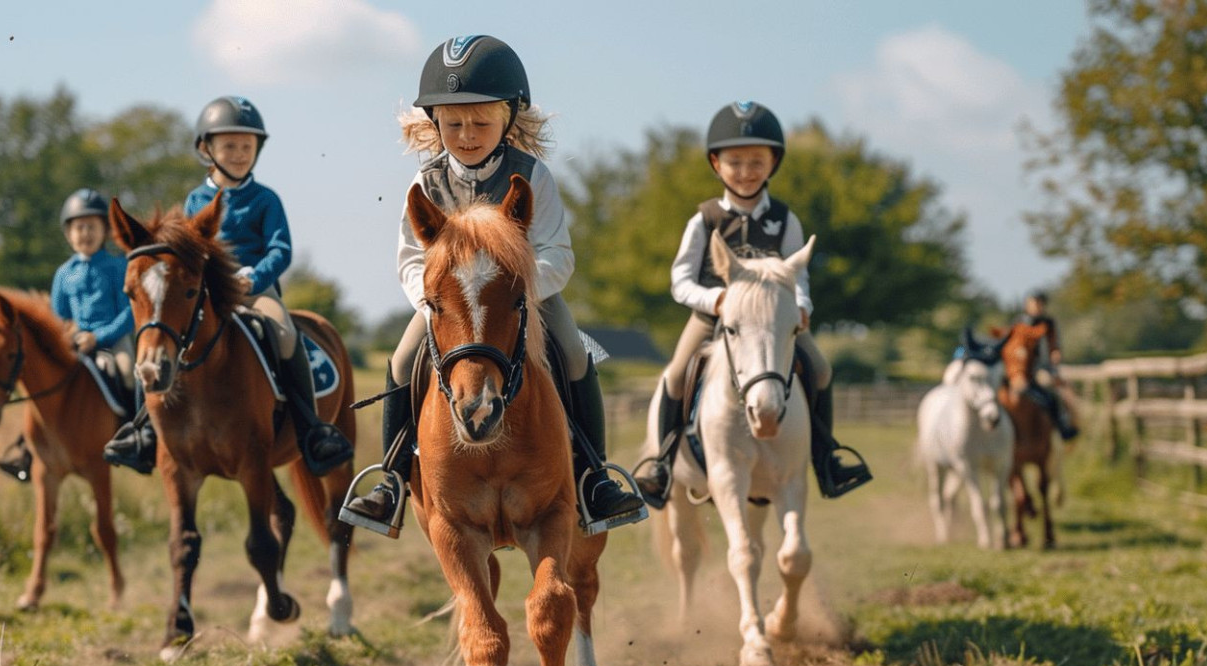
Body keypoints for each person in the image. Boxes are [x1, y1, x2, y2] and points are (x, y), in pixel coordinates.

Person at [340, 35, 645, 537]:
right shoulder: (425, 184)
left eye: (481, 121)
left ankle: (594, 478)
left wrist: (517, 290)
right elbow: (411, 258)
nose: (467, 134)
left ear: (509, 118)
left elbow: (558, 255)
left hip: (525, 300)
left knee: (574, 353)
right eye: (454, 122)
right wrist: (438, 301)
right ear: (434, 123)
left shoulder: (533, 176)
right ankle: (391, 479)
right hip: (450, 305)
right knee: (399, 361)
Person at [633, 101, 872, 508]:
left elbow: (799, 274)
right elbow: (681, 281)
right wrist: (717, 299)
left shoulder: (785, 220)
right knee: (675, 377)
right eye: (736, 161)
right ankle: (661, 464)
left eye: (756, 161)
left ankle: (825, 458)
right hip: (711, 320)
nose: (746, 171)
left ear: (773, 162)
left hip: (774, 324)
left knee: (821, 370)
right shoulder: (704, 220)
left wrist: (802, 306)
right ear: (716, 163)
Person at [102, 96, 353, 475]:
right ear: (207, 149)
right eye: (230, 146)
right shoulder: (195, 200)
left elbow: (281, 251)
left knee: (284, 333)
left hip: (257, 292)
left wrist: (253, 277)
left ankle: (311, 428)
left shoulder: (266, 199)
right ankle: (143, 431)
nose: (239, 154)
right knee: (155, 337)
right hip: (209, 296)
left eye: (246, 147)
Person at [0, 188, 135, 481]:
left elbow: (129, 313)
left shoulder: (117, 267)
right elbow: (57, 318)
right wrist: (67, 335)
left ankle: (138, 437)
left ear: (105, 231)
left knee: (126, 372)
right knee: (43, 381)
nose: (85, 234)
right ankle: (26, 448)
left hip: (112, 341)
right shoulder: (64, 274)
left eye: (92, 227)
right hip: (73, 344)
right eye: (78, 227)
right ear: (68, 234)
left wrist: (97, 337)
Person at [1016, 291, 1079, 440]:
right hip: (1021, 368)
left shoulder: (1048, 323)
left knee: (1052, 387)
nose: (1036, 307)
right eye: (1033, 303)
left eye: (1039, 304)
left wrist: (1055, 353)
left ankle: (1062, 423)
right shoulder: (1020, 323)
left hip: (1040, 368)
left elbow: (1054, 345)